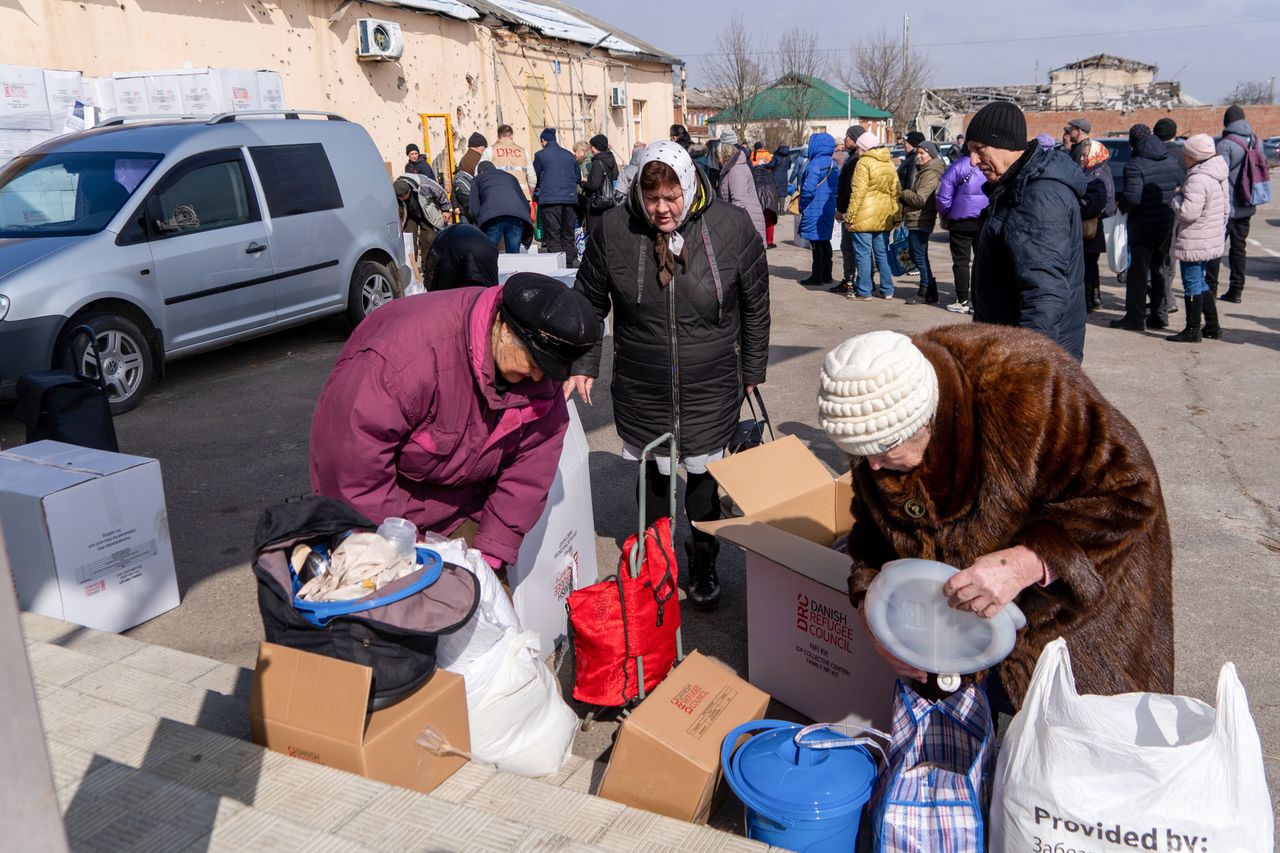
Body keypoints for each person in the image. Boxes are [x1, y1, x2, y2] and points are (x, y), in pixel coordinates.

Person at [818, 326, 1173, 712]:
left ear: (926, 418)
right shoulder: (873, 417)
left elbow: (1131, 493)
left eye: (885, 449)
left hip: (1074, 610)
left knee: (1077, 745)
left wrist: (1026, 563)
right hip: (972, 622)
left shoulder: (1029, 385)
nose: (872, 466)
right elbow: (872, 531)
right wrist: (870, 604)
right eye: (859, 454)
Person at [568, 141, 770, 610]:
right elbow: (588, 303)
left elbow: (756, 304)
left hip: (711, 380)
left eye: (671, 196)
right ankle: (654, 561)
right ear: (638, 189)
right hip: (643, 381)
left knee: (702, 482)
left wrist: (753, 367)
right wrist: (582, 362)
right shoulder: (613, 231)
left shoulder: (731, 228)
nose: (662, 208)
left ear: (690, 185)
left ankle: (702, 559)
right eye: (651, 196)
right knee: (654, 479)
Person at [310, 275, 600, 573]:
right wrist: (395, 551)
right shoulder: (402, 359)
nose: (539, 379)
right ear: (503, 328)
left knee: (485, 609)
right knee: (394, 609)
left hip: (462, 510)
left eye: (548, 370)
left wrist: (489, 554)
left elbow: (530, 469)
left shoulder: (540, 375)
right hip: (386, 518)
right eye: (534, 364)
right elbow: (353, 467)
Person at [966, 101, 1087, 361]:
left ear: (1005, 143)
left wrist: (1027, 368)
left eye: (979, 149)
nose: (973, 161)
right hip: (1010, 345)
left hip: (1025, 359)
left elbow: (1044, 294)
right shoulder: (1015, 186)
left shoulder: (1037, 197)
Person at [1111, 124, 1182, 332]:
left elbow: (1133, 197)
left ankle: (1135, 317)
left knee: (1138, 274)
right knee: (1160, 270)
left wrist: (1121, 205)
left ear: (1133, 142)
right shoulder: (1170, 159)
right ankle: (1160, 315)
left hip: (1142, 226)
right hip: (1165, 223)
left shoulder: (1135, 165)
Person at [1167, 134, 1231, 343]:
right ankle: (1212, 325)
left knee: (1192, 283)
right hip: (1209, 236)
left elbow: (1187, 213)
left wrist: (1176, 197)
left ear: (1194, 157)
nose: (1183, 158)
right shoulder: (1218, 173)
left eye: (1186, 155)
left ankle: (1192, 329)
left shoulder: (1197, 178)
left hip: (1195, 239)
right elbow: (1225, 209)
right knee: (1200, 281)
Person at [1206, 105, 1261, 304]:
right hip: (1247, 202)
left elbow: (1219, 174)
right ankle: (1236, 289)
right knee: (1239, 248)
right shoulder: (1256, 140)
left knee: (1215, 248)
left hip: (1226, 206)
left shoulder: (1226, 144)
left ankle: (1210, 288)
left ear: (1226, 122)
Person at [845, 131, 900, 301]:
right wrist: (897, 216)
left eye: (860, 147)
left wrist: (850, 217)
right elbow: (895, 191)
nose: (858, 151)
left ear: (863, 147)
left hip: (864, 214)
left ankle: (864, 291)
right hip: (884, 214)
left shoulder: (863, 163)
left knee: (862, 253)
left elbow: (857, 193)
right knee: (882, 253)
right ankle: (887, 289)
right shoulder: (889, 163)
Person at [935, 144, 987, 314]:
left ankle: (962, 300)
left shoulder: (957, 166)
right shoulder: (986, 164)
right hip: (983, 219)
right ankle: (979, 300)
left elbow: (943, 196)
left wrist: (948, 213)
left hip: (960, 221)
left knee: (961, 262)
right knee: (982, 261)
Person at [900, 140, 944, 305]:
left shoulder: (930, 173)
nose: (918, 156)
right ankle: (930, 290)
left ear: (930, 155)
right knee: (920, 256)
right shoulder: (924, 171)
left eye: (922, 153)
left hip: (921, 219)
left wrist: (903, 193)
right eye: (917, 153)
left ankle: (925, 290)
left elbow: (919, 199)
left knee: (918, 256)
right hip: (917, 218)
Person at [1075, 139, 1115, 313]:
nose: (1082, 158)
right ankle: (1093, 298)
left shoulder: (1098, 174)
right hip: (1094, 227)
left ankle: (1087, 302)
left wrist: (1078, 208)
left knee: (1087, 266)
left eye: (1085, 155)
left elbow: (1098, 202)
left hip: (1092, 228)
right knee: (1091, 265)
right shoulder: (1094, 170)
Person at [533, 128, 580, 266]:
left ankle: (557, 264)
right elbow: (577, 177)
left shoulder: (540, 155)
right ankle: (570, 262)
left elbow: (534, 177)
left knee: (553, 234)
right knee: (568, 232)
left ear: (543, 140)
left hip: (550, 200)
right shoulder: (570, 156)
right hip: (570, 199)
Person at [798, 132, 839, 286]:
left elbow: (808, 189)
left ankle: (816, 276)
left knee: (816, 243)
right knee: (825, 241)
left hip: (814, 208)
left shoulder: (814, 164)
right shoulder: (832, 164)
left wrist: (802, 205)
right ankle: (827, 274)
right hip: (828, 207)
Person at [469, 162, 534, 253]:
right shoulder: (510, 177)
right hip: (517, 216)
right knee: (514, 254)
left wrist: (477, 223)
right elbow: (524, 201)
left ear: (480, 172)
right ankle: (514, 267)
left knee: (489, 253)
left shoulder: (478, 179)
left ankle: (490, 267)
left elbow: (473, 207)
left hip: (493, 216)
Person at [831, 125, 866, 295]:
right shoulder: (851, 157)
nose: (845, 140)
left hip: (853, 210)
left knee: (852, 247)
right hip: (852, 208)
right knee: (851, 247)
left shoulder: (856, 160)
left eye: (848, 137)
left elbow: (849, 188)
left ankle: (854, 281)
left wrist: (841, 209)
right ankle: (853, 279)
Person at [717, 131, 767, 245]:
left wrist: (733, 229)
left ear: (724, 153)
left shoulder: (736, 170)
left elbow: (739, 203)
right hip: (745, 223)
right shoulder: (731, 168)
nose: (717, 158)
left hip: (747, 225)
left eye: (718, 155)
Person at [394, 173, 448, 275]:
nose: (402, 199)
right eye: (399, 197)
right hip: (410, 216)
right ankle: (411, 269)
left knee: (428, 239)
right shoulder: (396, 189)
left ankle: (427, 268)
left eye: (403, 196)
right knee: (409, 241)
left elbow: (441, 192)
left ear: (409, 190)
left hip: (426, 215)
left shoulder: (424, 185)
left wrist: (445, 209)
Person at [424, 223, 499, 291]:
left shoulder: (442, 240)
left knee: (447, 295)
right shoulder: (448, 236)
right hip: (487, 250)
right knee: (488, 294)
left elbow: (437, 275)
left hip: (458, 251)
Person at [579, 134, 619, 233]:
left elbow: (594, 184)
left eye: (592, 147)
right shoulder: (611, 160)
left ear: (596, 147)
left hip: (596, 204)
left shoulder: (598, 162)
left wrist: (583, 183)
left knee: (594, 232)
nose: (591, 149)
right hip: (607, 201)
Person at [491, 124, 536, 198]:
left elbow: (479, 172)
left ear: (498, 137)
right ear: (511, 136)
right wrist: (530, 194)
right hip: (521, 196)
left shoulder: (490, 151)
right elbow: (532, 178)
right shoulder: (524, 152)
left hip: (499, 196)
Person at [752, 156, 782, 249]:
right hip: (770, 196)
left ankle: (760, 241)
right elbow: (776, 186)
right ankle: (769, 242)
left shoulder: (752, 174)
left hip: (758, 195)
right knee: (770, 221)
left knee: (758, 220)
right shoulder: (769, 174)